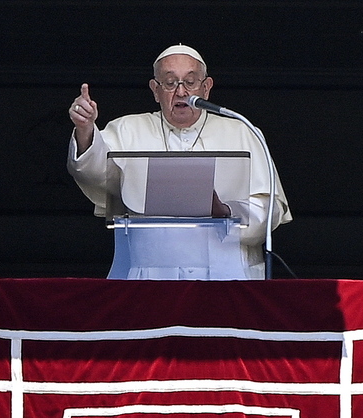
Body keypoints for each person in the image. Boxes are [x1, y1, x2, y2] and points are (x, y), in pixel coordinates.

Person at [67, 44, 291, 279]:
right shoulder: (126, 129)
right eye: (170, 82)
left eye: (190, 82)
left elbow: (270, 209)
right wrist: (85, 130)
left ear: (206, 88)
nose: (181, 91)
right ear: (155, 90)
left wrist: (227, 212)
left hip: (226, 275)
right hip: (150, 275)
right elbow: (93, 173)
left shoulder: (242, 131)